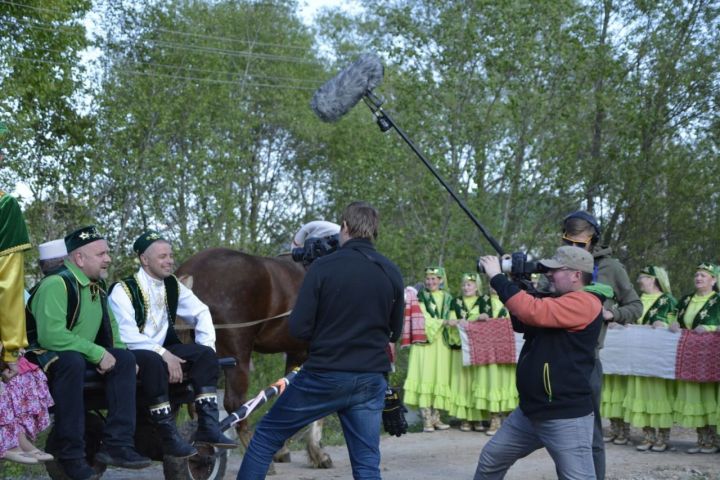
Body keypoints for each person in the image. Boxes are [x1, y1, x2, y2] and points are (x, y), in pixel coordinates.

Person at [237, 201, 403, 479]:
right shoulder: (391, 270)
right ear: (374, 231)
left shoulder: (322, 267)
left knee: (264, 438)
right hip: (371, 378)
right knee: (366, 464)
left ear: (345, 228)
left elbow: (299, 329)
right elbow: (394, 332)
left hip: (326, 375)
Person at [28, 225, 151, 480]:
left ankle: (118, 444)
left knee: (126, 358)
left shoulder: (98, 285)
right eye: (101, 254)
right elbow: (51, 336)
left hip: (76, 356)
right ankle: (71, 454)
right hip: (41, 359)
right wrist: (97, 353)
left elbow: (111, 326)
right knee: (71, 361)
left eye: (107, 253)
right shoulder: (56, 284)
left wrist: (120, 355)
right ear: (79, 258)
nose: (108, 258)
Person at [474, 246, 603, 480]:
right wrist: (518, 282)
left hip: (566, 416)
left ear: (576, 275)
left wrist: (497, 276)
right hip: (530, 412)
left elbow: (532, 311)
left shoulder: (586, 302)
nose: (549, 274)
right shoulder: (557, 301)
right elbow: (524, 321)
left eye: (556, 270)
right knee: (491, 460)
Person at [108, 230, 235, 455]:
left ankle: (208, 425)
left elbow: (201, 312)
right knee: (153, 361)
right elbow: (126, 334)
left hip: (163, 350)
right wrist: (163, 354)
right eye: (162, 257)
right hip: (133, 351)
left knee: (205, 356)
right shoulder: (123, 289)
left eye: (170, 255)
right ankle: (167, 434)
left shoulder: (172, 285)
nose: (170, 261)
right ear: (144, 260)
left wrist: (207, 348)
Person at [560, 211, 642, 477]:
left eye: (579, 244)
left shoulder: (611, 267)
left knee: (590, 432)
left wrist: (612, 314)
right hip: (554, 356)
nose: (573, 248)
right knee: (556, 433)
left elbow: (635, 305)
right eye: (567, 242)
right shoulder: (558, 263)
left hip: (587, 360)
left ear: (593, 239)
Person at [622, 265, 677, 452]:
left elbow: (677, 324)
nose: (639, 281)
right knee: (641, 396)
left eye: (643, 278)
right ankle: (648, 435)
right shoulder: (636, 301)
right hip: (638, 357)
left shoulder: (668, 301)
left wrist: (664, 324)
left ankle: (662, 437)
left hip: (658, 359)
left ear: (653, 279)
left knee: (659, 395)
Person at [670, 263, 720, 454]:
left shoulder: (718, 300)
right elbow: (673, 317)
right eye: (697, 275)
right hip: (691, 358)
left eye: (704, 275)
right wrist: (672, 323)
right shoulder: (685, 299)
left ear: (713, 280)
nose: (698, 278)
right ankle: (702, 440)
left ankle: (714, 440)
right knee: (696, 397)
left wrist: (710, 328)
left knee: (709, 395)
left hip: (711, 358)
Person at [403, 266, 453, 432]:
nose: (430, 282)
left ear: (441, 280)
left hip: (442, 342)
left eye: (434, 279)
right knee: (425, 376)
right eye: (428, 279)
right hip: (425, 341)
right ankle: (426, 419)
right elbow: (421, 317)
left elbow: (453, 317)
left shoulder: (448, 297)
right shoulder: (420, 297)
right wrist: (442, 322)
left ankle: (436, 417)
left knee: (439, 377)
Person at [447, 273, 491, 432]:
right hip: (461, 347)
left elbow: (487, 317)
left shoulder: (484, 300)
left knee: (477, 381)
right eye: (464, 284)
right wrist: (471, 318)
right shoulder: (456, 301)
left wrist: (473, 318)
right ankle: (465, 418)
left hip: (478, 348)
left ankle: (478, 418)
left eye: (470, 285)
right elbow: (452, 320)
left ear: (476, 286)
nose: (466, 287)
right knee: (462, 382)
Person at [474, 278, 518, 436]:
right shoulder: (483, 300)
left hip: (509, 351)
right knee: (493, 383)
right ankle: (494, 419)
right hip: (490, 351)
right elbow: (470, 316)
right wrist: (479, 316)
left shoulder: (512, 298)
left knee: (509, 382)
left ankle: (509, 420)